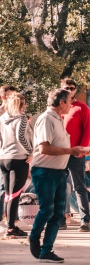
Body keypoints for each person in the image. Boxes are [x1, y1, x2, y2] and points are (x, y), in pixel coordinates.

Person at [29, 89, 87, 262]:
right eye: (70, 100)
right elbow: (44, 148)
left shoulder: (58, 119)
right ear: (61, 102)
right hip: (45, 172)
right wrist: (71, 150)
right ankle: (33, 237)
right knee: (47, 210)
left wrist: (76, 151)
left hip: (60, 173)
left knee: (58, 214)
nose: (72, 103)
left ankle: (46, 251)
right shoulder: (47, 119)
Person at [61, 79, 90, 232]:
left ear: (75, 90)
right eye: (66, 88)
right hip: (60, 154)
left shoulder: (82, 108)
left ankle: (85, 220)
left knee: (79, 187)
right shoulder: (59, 108)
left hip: (75, 154)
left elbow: (89, 129)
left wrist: (82, 149)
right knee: (61, 187)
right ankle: (61, 218)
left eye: (72, 88)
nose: (69, 90)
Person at [0, 93, 33, 237]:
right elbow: (21, 137)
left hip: (4, 157)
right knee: (15, 194)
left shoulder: (3, 118)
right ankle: (11, 228)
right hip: (18, 157)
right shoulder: (22, 118)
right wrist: (30, 152)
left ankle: (9, 225)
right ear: (21, 104)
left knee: (8, 194)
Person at [0, 85, 17, 230]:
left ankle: (10, 218)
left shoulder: (16, 113)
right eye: (11, 96)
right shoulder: (1, 113)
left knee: (9, 188)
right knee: (3, 188)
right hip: (4, 153)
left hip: (9, 153)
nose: (14, 99)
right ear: (3, 97)